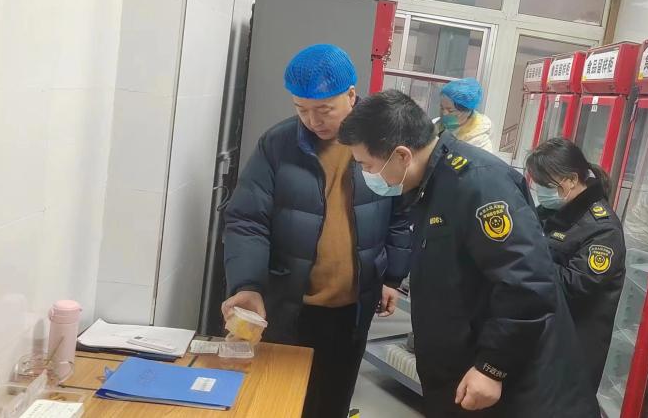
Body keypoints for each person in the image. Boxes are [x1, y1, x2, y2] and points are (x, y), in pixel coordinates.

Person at [338, 90, 593, 417]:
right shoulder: (431, 184)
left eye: (367, 165)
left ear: (402, 155)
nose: (367, 176)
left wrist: (492, 367)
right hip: (462, 373)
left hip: (513, 389)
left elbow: (527, 285)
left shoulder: (478, 185)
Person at [221, 44, 412, 418]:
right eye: (301, 109)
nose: (313, 121)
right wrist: (248, 285)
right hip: (289, 303)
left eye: (324, 110)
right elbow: (247, 219)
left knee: (332, 402)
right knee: (279, 403)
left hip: (353, 306)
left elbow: (401, 213)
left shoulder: (385, 142)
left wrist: (392, 277)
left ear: (351, 95)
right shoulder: (278, 145)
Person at [526, 137, 626, 408]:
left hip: (571, 351)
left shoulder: (603, 230)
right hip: (541, 340)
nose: (539, 190)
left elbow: (573, 286)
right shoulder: (552, 211)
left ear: (570, 180)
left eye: (545, 184)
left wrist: (525, 259)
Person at [436, 78, 494, 152]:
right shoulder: (437, 124)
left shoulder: (480, 142)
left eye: (450, 111)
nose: (444, 113)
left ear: (467, 111)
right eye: (442, 108)